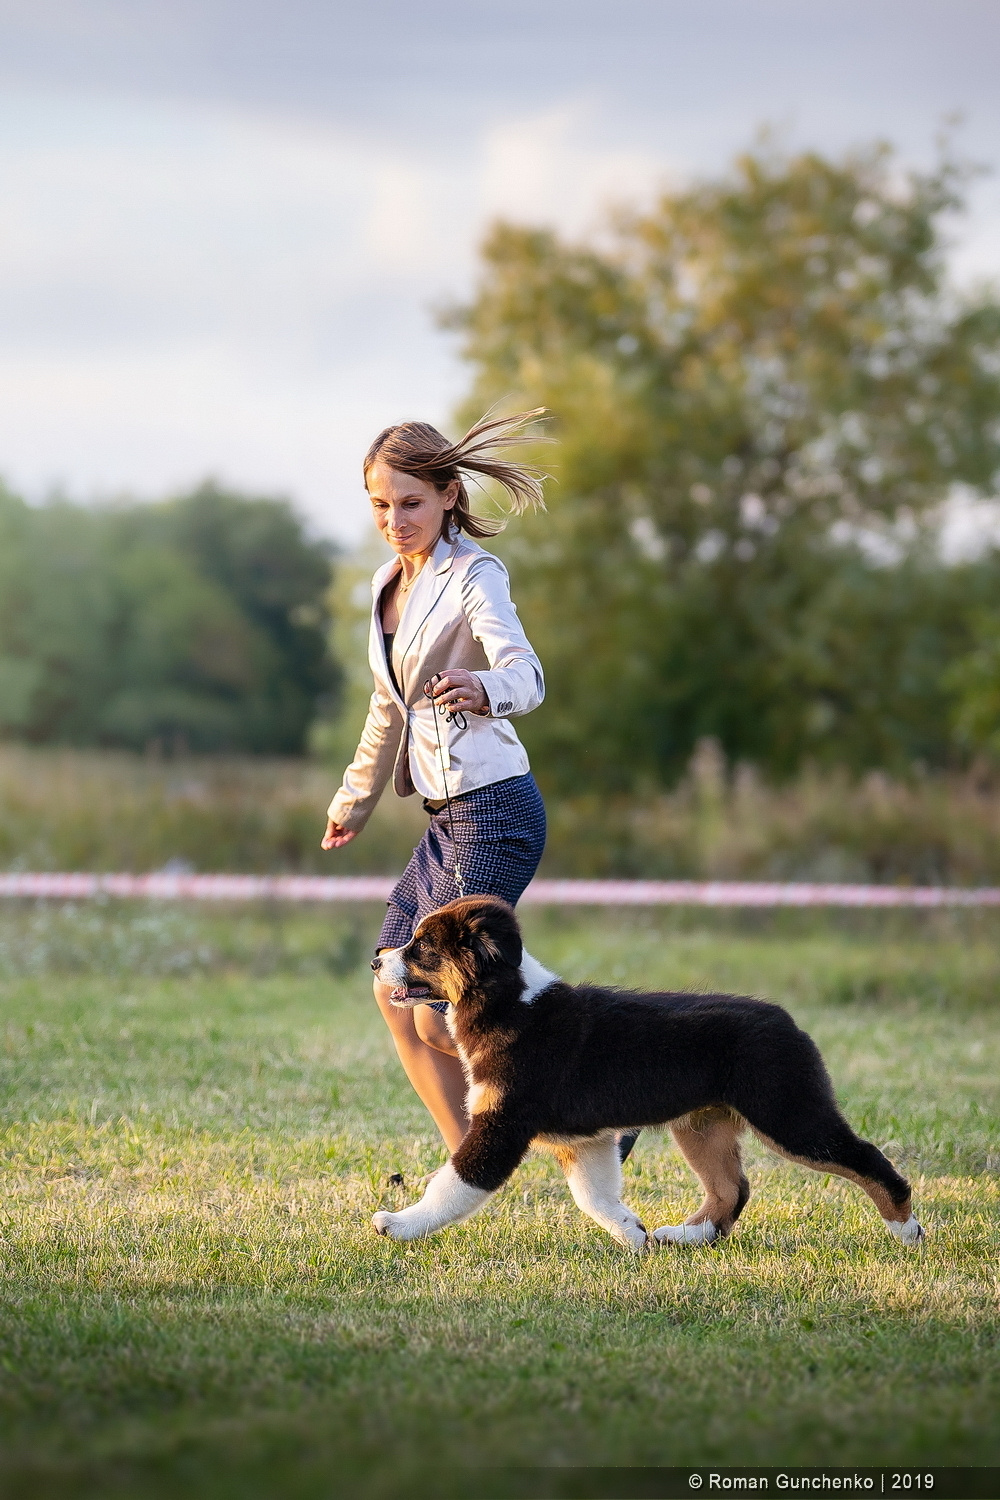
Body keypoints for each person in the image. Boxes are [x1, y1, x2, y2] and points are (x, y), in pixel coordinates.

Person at [321, 410, 550, 1153]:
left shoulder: (474, 574)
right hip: (447, 820)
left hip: (496, 811)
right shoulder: (387, 584)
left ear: (449, 494)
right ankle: (471, 1161)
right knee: (394, 989)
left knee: (434, 1010)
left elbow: (527, 672)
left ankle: (593, 1094)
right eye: (380, 505)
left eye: (411, 502)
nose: (395, 520)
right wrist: (352, 801)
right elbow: (387, 706)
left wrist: (489, 688)